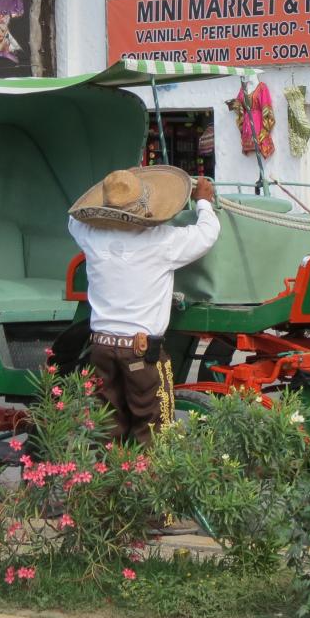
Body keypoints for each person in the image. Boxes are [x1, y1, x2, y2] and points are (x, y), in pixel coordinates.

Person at [68, 166, 220, 444]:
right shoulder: (162, 241)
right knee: (153, 429)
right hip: (139, 353)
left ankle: (109, 483)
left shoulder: (90, 237)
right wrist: (204, 202)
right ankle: (146, 484)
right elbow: (207, 234)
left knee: (108, 428)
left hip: (101, 349)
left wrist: (104, 208)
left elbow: (75, 221)